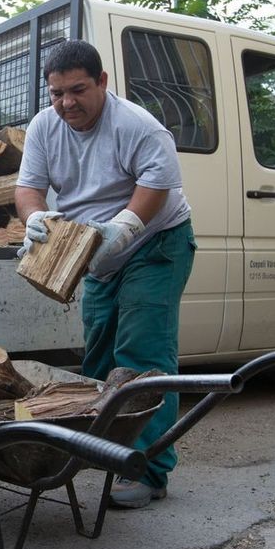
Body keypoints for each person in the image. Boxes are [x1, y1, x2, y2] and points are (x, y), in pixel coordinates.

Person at [15, 40, 195, 509]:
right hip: (91, 249)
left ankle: (149, 469)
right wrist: (34, 217)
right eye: (56, 93)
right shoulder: (44, 126)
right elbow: (29, 187)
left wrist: (124, 227)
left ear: (102, 82)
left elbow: (157, 184)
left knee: (141, 354)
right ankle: (101, 451)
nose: (66, 103)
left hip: (156, 242)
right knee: (97, 356)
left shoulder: (138, 126)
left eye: (77, 90)